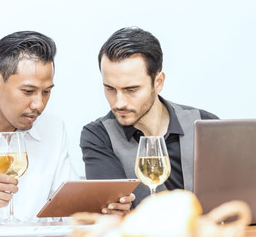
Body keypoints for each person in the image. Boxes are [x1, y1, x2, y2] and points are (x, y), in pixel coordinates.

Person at [0, 31, 133, 229]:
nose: (38, 104)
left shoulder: (53, 129)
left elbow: (70, 212)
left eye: (47, 92)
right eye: (28, 91)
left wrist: (104, 211)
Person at [80, 27, 218, 208]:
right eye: (110, 89)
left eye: (131, 90)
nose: (119, 103)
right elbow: (113, 213)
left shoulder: (205, 125)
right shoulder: (98, 136)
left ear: (158, 82)